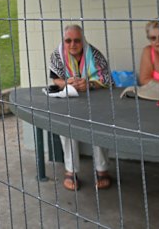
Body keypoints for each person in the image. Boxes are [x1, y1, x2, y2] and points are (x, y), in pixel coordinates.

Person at [48, 24, 113, 191]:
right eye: (68, 41)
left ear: (83, 40)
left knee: (100, 126)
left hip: (95, 101)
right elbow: (56, 79)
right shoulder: (57, 55)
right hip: (69, 99)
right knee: (66, 127)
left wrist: (89, 85)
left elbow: (106, 81)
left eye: (77, 40)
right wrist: (66, 82)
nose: (72, 44)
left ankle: (102, 170)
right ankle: (71, 171)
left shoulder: (96, 55)